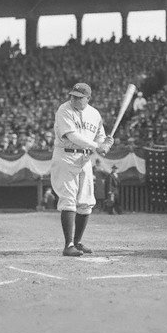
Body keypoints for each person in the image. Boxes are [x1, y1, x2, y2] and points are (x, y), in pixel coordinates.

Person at [50, 82, 113, 257]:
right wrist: (97, 146)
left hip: (84, 159)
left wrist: (105, 143)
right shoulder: (64, 110)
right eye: (73, 96)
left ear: (88, 98)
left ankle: (77, 242)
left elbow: (100, 136)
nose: (74, 99)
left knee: (86, 202)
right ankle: (68, 245)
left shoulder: (94, 113)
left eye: (79, 97)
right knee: (69, 199)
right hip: (66, 155)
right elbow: (72, 136)